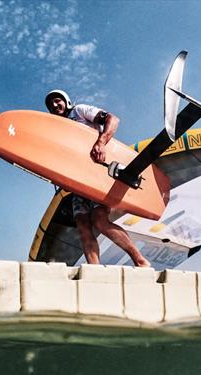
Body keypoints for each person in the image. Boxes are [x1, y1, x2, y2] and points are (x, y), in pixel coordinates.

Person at [45, 89, 151, 267]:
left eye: (57, 101)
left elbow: (113, 119)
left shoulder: (79, 111)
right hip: (78, 183)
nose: (55, 105)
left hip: (97, 176)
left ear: (67, 101)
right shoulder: (58, 130)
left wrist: (101, 143)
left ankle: (140, 261)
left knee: (100, 220)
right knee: (83, 225)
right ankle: (94, 270)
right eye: (51, 105)